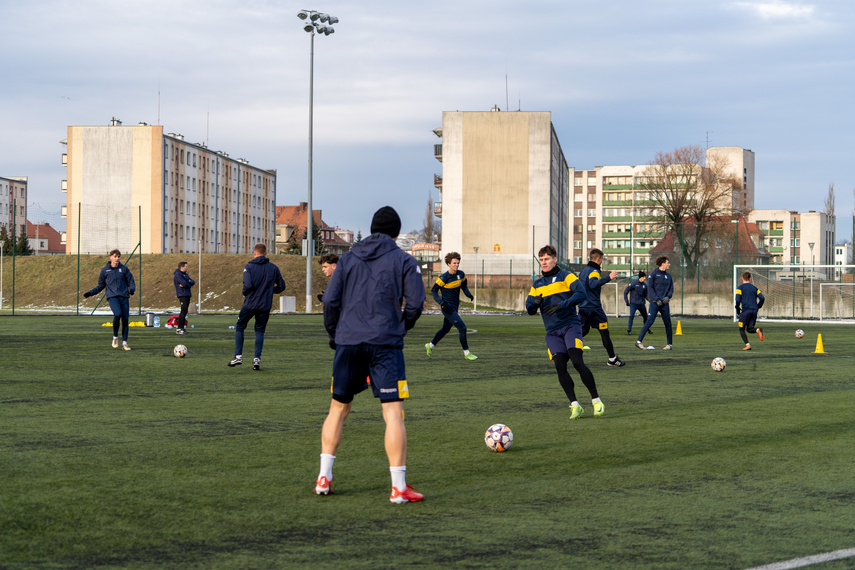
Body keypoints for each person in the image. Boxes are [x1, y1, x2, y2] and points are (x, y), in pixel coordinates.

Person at [316, 206, 426, 503]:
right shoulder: (404, 259)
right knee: (392, 413)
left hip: (348, 342)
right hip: (385, 344)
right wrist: (400, 327)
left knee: (338, 409)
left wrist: (334, 335)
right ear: (395, 232)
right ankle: (398, 488)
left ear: (373, 228)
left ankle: (324, 477)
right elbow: (416, 303)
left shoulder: (349, 257)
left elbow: (330, 301)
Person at [525, 245, 605, 420]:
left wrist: (562, 305)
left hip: (570, 326)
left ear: (554, 259)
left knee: (577, 362)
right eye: (541, 260)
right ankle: (575, 405)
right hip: (552, 332)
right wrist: (534, 303)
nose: (543, 263)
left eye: (546, 259)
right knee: (559, 365)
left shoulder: (566, 276)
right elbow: (529, 309)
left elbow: (581, 294)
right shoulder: (537, 284)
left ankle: (596, 400)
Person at [228, 243, 286, 371]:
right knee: (259, 331)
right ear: (265, 253)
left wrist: (245, 293)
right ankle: (256, 359)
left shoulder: (249, 267)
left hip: (250, 303)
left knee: (240, 326)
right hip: (265, 305)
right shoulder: (273, 268)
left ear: (254, 253)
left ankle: (238, 356)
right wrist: (271, 291)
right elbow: (282, 286)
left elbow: (247, 285)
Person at [425, 252, 477, 361]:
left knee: (445, 329)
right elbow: (434, 291)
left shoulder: (461, 274)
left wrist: (468, 294)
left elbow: (464, 285)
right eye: (454, 263)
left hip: (455, 306)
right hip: (447, 308)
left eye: (458, 263)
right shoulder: (444, 277)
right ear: (449, 264)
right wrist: (441, 303)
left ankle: (430, 346)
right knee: (462, 328)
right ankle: (467, 353)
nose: (456, 265)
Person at [578, 248, 625, 367]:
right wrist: (608, 277)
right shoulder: (594, 271)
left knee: (582, 331)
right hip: (594, 309)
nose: (602, 262)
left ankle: (563, 348)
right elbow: (593, 284)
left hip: (583, 307)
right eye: (602, 259)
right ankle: (612, 359)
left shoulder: (583, 271)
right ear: (598, 259)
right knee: (604, 333)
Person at [83, 249, 136, 351]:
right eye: (115, 256)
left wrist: (132, 289)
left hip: (124, 296)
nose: (117, 258)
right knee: (117, 314)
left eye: (118, 257)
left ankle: (124, 343)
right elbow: (100, 286)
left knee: (125, 319)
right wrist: (90, 293)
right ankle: (115, 337)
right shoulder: (105, 270)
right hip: (112, 297)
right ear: (110, 257)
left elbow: (131, 281)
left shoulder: (124, 269)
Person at [636, 255, 673, 350]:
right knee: (649, 321)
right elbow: (650, 288)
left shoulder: (668, 276)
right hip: (654, 303)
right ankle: (639, 342)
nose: (669, 264)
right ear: (663, 264)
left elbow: (671, 289)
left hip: (664, 304)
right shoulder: (653, 274)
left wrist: (668, 297)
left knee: (668, 323)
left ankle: (669, 344)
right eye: (668, 263)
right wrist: (657, 299)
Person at [735, 272, 765, 350]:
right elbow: (762, 298)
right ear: (750, 279)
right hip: (754, 311)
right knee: (749, 329)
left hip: (745, 311)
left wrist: (737, 308)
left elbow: (737, 300)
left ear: (742, 278)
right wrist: (758, 306)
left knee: (741, 329)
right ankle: (758, 330)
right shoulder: (755, 288)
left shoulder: (739, 288)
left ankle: (747, 345)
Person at [623, 271, 651, 335]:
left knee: (646, 317)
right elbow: (625, 292)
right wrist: (627, 301)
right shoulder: (633, 284)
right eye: (644, 277)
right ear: (640, 277)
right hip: (634, 304)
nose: (644, 278)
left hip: (641, 304)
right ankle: (629, 330)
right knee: (631, 316)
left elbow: (646, 295)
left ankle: (647, 329)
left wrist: (650, 300)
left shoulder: (645, 285)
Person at [173, 261, 195, 335]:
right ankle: (179, 328)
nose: (187, 268)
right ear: (182, 267)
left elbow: (193, 282)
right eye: (186, 266)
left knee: (185, 311)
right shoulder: (178, 275)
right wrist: (188, 283)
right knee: (183, 310)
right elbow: (185, 284)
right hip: (182, 294)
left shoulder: (185, 274)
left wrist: (188, 283)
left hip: (187, 294)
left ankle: (182, 328)